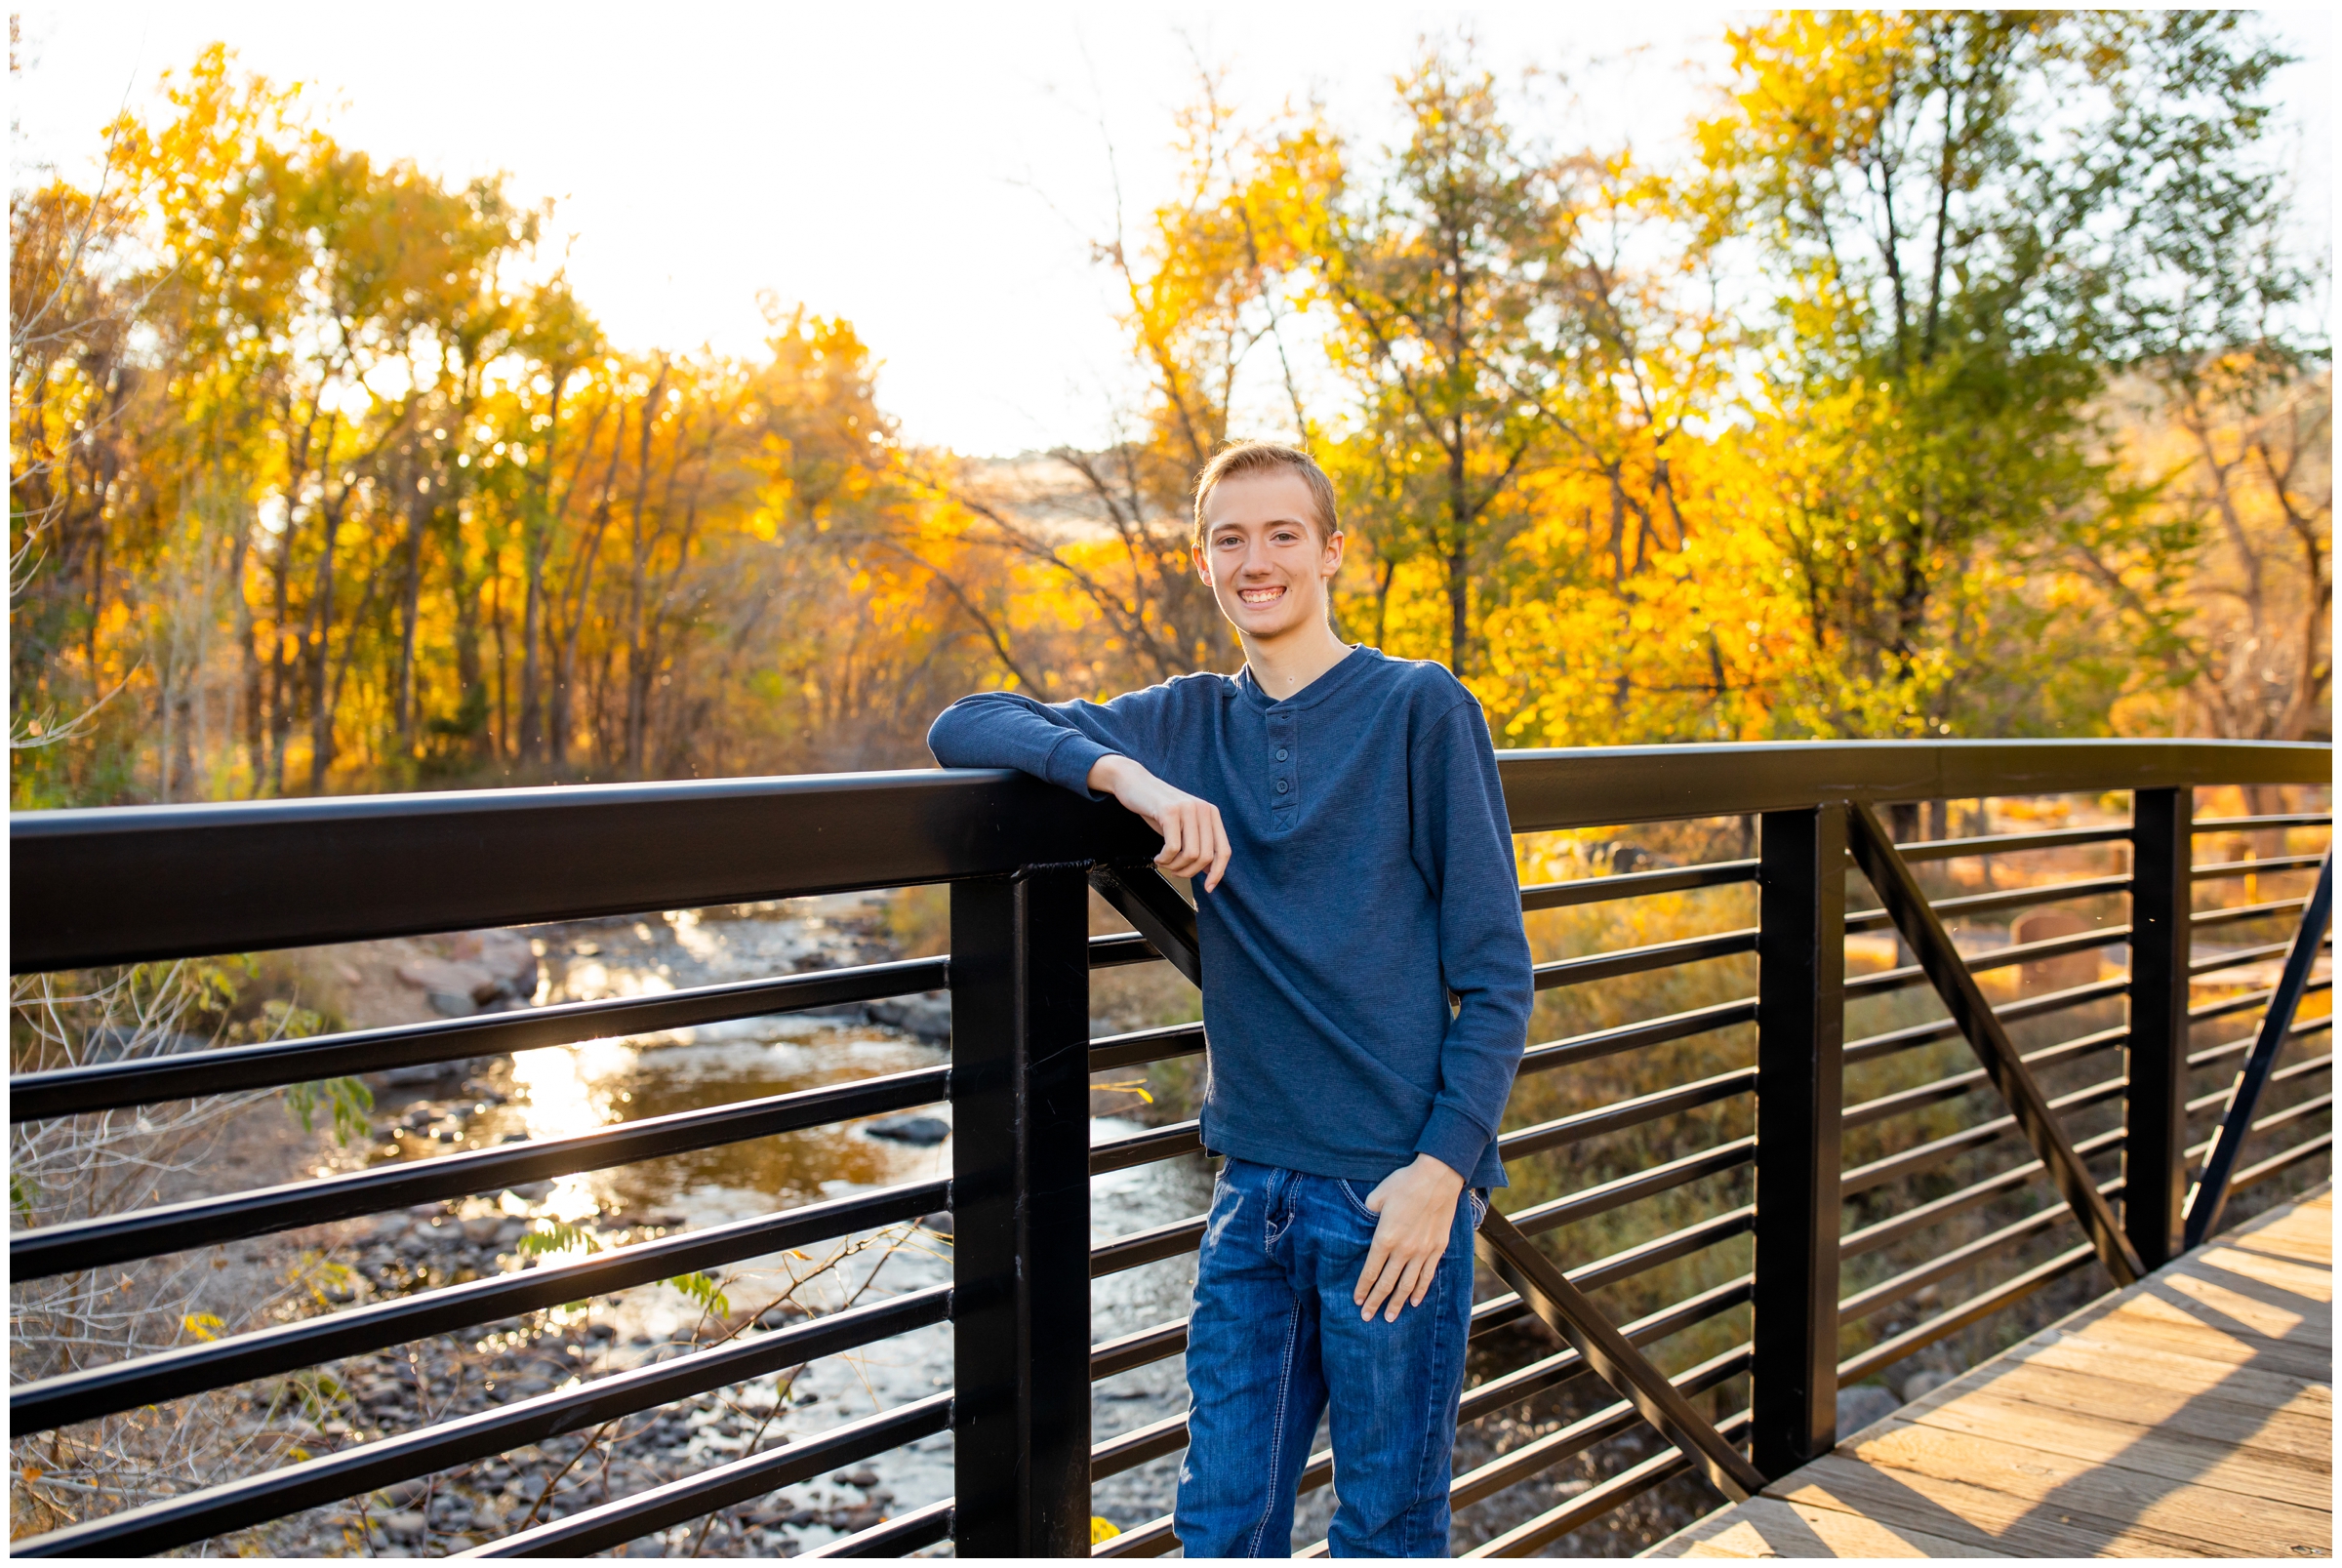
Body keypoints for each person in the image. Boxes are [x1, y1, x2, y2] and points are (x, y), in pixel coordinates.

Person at [926, 440, 1533, 1557]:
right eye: (1229, 537)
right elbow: (965, 722)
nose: (1257, 560)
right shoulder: (1187, 720)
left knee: (1389, 1530)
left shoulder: (1420, 708)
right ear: (1203, 561)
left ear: (1332, 551)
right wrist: (1128, 777)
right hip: (1251, 1186)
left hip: (1392, 1193)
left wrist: (1441, 1176)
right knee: (1219, 1525)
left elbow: (1499, 975)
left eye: (1282, 533)